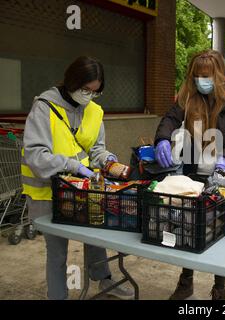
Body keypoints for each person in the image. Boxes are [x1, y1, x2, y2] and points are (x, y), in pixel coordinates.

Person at [22, 56, 133, 300]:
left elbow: (95, 149)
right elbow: (36, 156)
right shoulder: (44, 107)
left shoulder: (93, 111)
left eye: (95, 92)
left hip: (82, 188)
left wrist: (106, 159)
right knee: (58, 252)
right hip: (46, 192)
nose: (89, 96)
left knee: (96, 237)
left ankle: (103, 280)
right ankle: (58, 296)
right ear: (72, 81)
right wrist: (72, 165)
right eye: (85, 89)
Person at [154, 49, 225, 300]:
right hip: (194, 173)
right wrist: (163, 139)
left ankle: (220, 287)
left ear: (218, 75)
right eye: (197, 76)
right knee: (191, 227)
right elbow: (170, 118)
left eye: (206, 76)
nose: (201, 81)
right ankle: (186, 281)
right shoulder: (188, 95)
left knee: (221, 230)